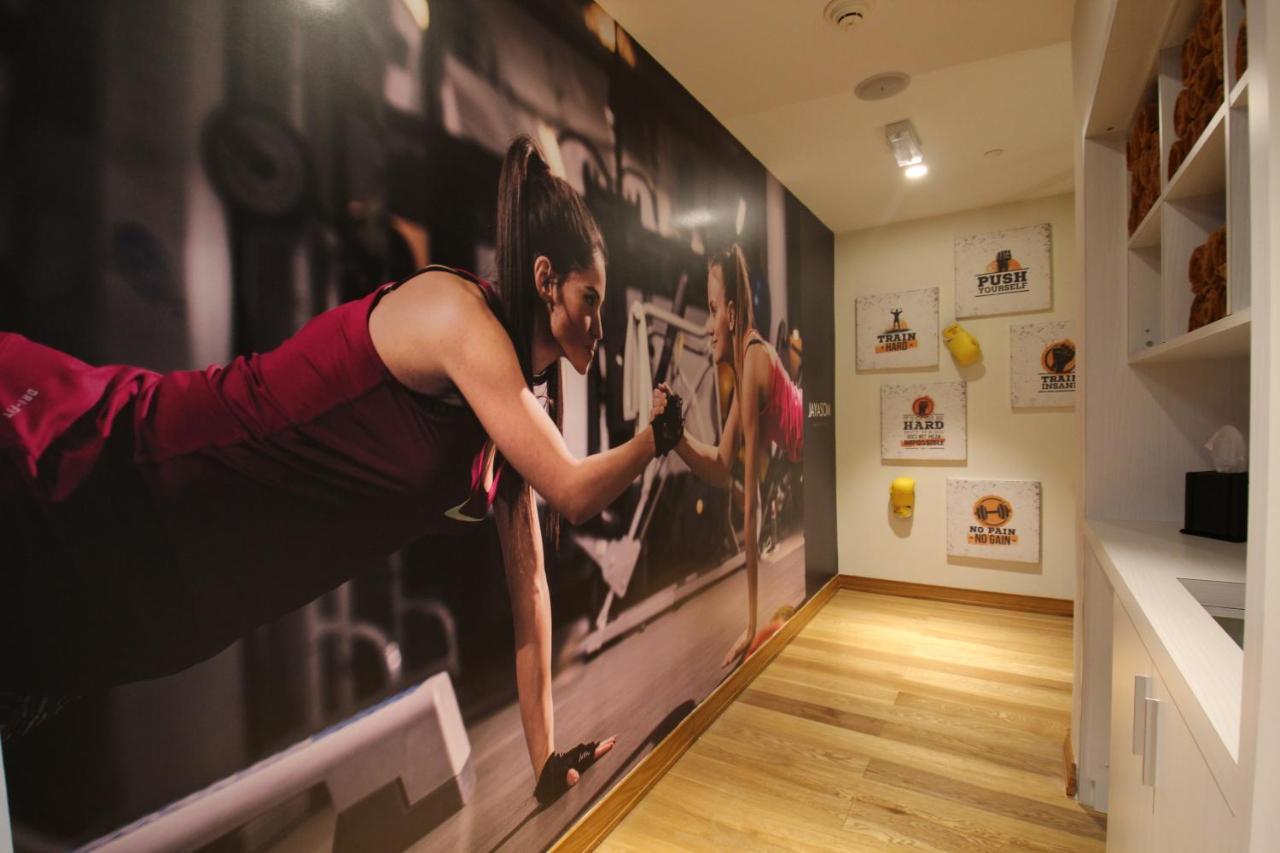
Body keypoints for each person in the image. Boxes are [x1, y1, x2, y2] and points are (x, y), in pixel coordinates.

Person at [0, 135, 684, 805]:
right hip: (150, 473)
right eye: (591, 299)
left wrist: (546, 758)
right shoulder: (458, 317)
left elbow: (531, 588)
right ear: (545, 281)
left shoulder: (509, 406)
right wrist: (658, 436)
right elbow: (572, 491)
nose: (600, 322)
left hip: (191, 593)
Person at [654, 243, 801, 667]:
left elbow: (751, 505)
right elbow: (719, 467)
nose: (707, 326)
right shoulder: (745, 364)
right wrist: (674, 436)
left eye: (714, 310)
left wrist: (752, 625)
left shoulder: (754, 360)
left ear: (733, 314)